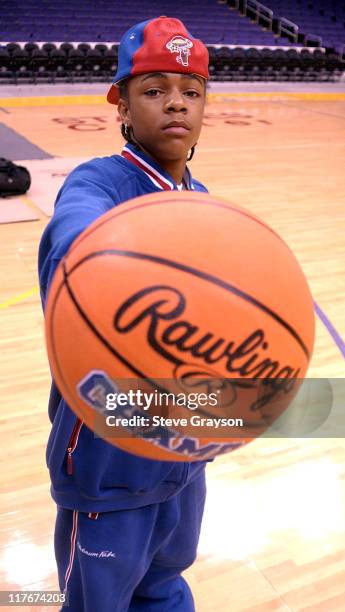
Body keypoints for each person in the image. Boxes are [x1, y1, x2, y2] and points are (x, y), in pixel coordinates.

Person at [38, 16, 210, 612]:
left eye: (191, 90)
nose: (176, 104)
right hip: (109, 463)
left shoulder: (203, 201)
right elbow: (74, 239)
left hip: (182, 458)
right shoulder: (99, 184)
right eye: (155, 89)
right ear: (122, 105)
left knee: (165, 587)